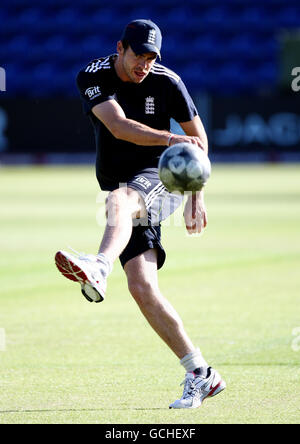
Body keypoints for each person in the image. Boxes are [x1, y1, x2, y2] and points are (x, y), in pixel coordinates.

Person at [55, 19, 226, 409]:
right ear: (120, 47)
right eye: (139, 55)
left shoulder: (169, 82)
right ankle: (201, 374)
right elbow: (118, 127)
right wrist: (169, 136)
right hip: (123, 183)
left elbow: (198, 140)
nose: (144, 64)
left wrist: (195, 194)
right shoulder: (91, 76)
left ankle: (99, 265)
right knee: (142, 287)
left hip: (161, 176)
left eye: (151, 57)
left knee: (120, 199)